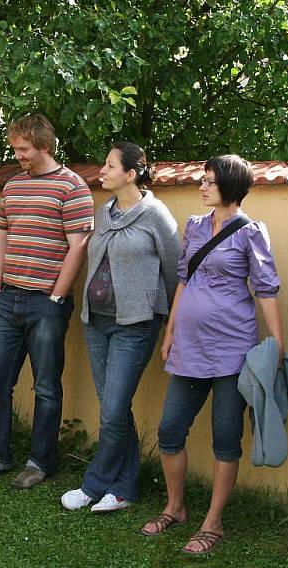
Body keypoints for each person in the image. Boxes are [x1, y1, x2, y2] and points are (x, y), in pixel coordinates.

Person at [141, 154, 283, 555]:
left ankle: (213, 522)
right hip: (189, 346)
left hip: (232, 350)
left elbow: (267, 290)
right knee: (170, 430)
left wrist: (277, 346)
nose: (202, 187)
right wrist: (170, 332)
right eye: (202, 180)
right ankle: (176, 507)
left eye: (209, 181)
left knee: (225, 437)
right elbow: (184, 280)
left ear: (230, 187)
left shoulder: (251, 232)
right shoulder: (195, 226)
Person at [0, 113, 94, 489]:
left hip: (45, 304)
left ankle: (40, 462)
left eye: (23, 149)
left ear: (44, 146)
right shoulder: (13, 185)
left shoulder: (72, 187)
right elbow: (1, 237)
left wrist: (56, 296)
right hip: (7, 299)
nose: (18, 155)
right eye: (16, 149)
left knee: (46, 387)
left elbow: (79, 246)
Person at [60, 142, 180, 512]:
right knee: (115, 407)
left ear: (131, 174)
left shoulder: (155, 215)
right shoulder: (104, 212)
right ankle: (125, 488)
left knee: (112, 410)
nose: (103, 170)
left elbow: (176, 271)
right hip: (96, 322)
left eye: (110, 165)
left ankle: (94, 483)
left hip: (136, 325)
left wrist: (173, 324)